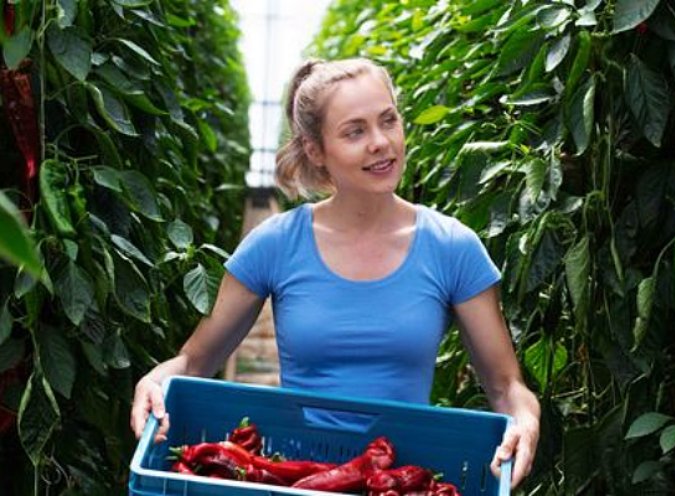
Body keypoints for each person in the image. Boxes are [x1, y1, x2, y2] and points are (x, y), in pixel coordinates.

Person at [130, 57, 540, 489]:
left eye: (388, 121)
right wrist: (155, 380)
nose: (380, 142)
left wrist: (525, 420)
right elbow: (194, 362)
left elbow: (505, 385)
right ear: (315, 150)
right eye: (354, 131)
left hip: (402, 479)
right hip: (297, 478)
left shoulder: (452, 248)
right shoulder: (276, 243)